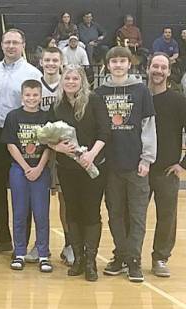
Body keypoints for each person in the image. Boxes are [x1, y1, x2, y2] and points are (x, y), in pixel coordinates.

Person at [95, 46, 156, 283]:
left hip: (136, 164)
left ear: (129, 64)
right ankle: (122, 255)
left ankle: (134, 261)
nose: (118, 65)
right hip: (110, 166)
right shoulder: (99, 92)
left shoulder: (141, 90)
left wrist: (147, 158)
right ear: (108, 65)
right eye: (114, 61)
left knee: (138, 216)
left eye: (122, 61)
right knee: (115, 215)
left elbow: (149, 126)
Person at [50, 64, 110, 282]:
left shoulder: (94, 100)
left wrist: (91, 154)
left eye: (75, 78)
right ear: (62, 80)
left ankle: (91, 262)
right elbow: (47, 133)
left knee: (91, 212)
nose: (71, 82)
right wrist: (57, 148)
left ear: (82, 80)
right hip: (67, 169)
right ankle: (78, 258)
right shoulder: (57, 104)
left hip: (92, 167)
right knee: (72, 212)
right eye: (67, 78)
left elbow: (105, 130)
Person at [0, 29, 42, 254]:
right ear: (1, 45)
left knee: (24, 190)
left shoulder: (33, 73)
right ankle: (2, 239)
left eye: (15, 42)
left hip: (24, 135)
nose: (11, 46)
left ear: (23, 45)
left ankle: (24, 243)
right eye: (7, 42)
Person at [2, 79, 53, 273]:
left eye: (35, 95)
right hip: (19, 170)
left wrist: (39, 167)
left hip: (41, 170)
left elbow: (49, 146)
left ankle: (43, 254)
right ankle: (20, 252)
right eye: (28, 95)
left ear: (40, 97)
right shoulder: (13, 116)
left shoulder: (47, 117)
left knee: (41, 214)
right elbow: (10, 145)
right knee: (20, 212)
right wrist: (25, 167)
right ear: (22, 96)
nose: (31, 99)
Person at [146, 54, 185, 278]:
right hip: (139, 168)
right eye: (155, 66)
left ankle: (160, 257)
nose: (158, 70)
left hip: (166, 170)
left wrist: (182, 165)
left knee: (167, 216)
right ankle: (128, 256)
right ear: (148, 68)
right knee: (133, 216)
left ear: (169, 72)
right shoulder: (139, 96)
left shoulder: (178, 100)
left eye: (163, 67)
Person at [38, 46, 73, 265]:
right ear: (41, 62)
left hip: (63, 152)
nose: (51, 63)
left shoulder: (68, 84)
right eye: (47, 60)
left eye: (54, 60)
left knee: (65, 199)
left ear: (61, 62)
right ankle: (39, 244)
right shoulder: (33, 83)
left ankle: (69, 243)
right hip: (39, 150)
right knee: (38, 199)